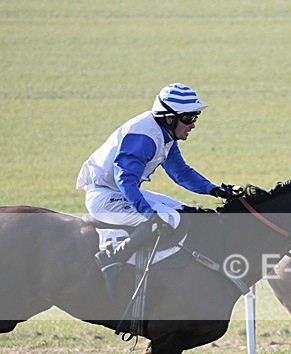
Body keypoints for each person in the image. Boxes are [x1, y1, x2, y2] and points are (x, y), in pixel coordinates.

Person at [76, 83, 233, 286]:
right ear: (169, 118)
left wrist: (215, 190)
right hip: (105, 197)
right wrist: (149, 214)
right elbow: (125, 178)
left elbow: (180, 172)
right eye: (188, 118)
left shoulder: (165, 135)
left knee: (183, 210)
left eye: (195, 117)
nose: (193, 124)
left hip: (119, 192)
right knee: (168, 218)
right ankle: (113, 258)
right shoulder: (145, 136)